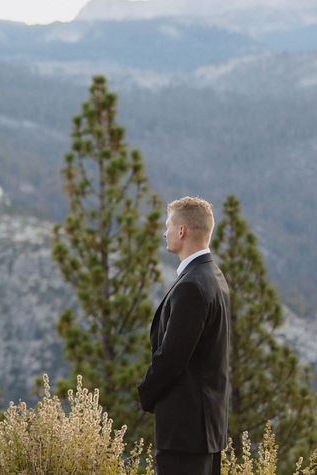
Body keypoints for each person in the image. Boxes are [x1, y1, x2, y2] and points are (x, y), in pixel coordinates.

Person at [138, 196, 231, 475]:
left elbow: (172, 357)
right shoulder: (213, 276)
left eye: (168, 225)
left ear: (182, 231)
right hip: (206, 430)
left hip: (185, 432)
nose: (164, 232)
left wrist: (147, 393)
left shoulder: (192, 285)